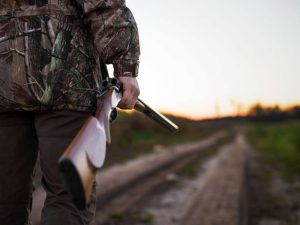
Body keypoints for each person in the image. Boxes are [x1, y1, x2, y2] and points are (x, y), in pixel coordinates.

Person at [0, 0, 140, 224]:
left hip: (3, 87)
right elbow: (103, 5)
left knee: (5, 200)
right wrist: (126, 65)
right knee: (68, 195)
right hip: (65, 82)